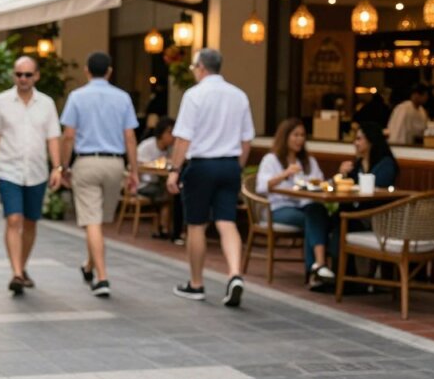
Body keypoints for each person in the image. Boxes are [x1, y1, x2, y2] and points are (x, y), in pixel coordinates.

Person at [167, 48, 254, 308]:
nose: (193, 71)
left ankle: (196, 283)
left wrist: (174, 169)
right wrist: (236, 166)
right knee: (227, 221)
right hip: (229, 164)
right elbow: (246, 139)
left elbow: (183, 137)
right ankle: (235, 273)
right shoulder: (239, 96)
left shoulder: (194, 95)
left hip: (202, 165)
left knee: (196, 225)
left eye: (194, 67)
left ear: (201, 67)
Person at [60, 52, 139, 298]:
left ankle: (102, 278)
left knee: (92, 222)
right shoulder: (123, 97)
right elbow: (129, 136)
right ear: (109, 71)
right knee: (100, 221)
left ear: (86, 71)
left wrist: (63, 166)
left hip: (86, 162)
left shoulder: (77, 97)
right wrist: (134, 169)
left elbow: (69, 135)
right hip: (115, 164)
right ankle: (89, 266)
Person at [0, 56, 62, 294]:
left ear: (36, 76)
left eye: (28, 75)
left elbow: (53, 138)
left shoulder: (46, 103)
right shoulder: (1, 101)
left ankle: (22, 266)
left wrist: (57, 168)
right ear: (13, 76)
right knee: (13, 219)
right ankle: (16, 273)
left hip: (37, 171)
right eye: (19, 75)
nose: (23, 79)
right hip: (9, 170)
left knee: (30, 222)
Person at [255, 118, 333, 285]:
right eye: (295, 135)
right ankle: (318, 267)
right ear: (285, 137)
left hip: (304, 204)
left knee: (317, 211)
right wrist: (285, 174)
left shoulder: (308, 161)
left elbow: (319, 181)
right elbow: (261, 186)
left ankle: (317, 268)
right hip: (278, 208)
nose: (300, 139)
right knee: (312, 219)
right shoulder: (271, 159)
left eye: (303, 135)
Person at [137, 116, 175, 239]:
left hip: (161, 182)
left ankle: (164, 227)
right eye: (169, 133)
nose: (172, 137)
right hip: (144, 183)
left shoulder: (172, 149)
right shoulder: (147, 146)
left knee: (170, 192)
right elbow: (138, 166)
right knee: (166, 194)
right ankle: (163, 227)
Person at [339, 122, 399, 189]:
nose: (355, 143)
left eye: (359, 139)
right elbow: (347, 187)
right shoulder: (358, 164)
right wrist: (343, 174)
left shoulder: (386, 164)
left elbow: (379, 189)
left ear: (370, 139)